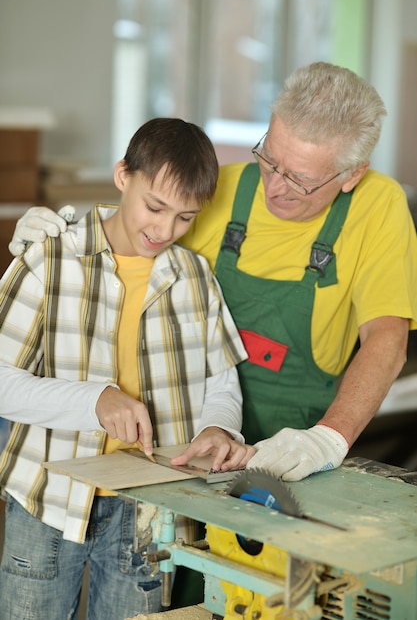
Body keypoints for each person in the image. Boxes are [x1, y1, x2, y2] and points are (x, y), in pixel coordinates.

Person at [10, 61, 417, 484]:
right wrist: (63, 239)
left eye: (300, 180)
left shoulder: (379, 207)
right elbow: (140, 232)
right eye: (270, 159)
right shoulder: (224, 188)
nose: (275, 186)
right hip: (198, 446)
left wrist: (327, 439)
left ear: (352, 174)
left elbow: (387, 338)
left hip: (301, 450)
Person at [0, 117, 253, 620]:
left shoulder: (195, 276)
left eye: (184, 217)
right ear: (122, 176)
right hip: (48, 500)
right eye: (154, 207)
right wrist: (95, 400)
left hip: (151, 509)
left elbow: (221, 380)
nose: (164, 230)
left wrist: (218, 426)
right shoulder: (49, 260)